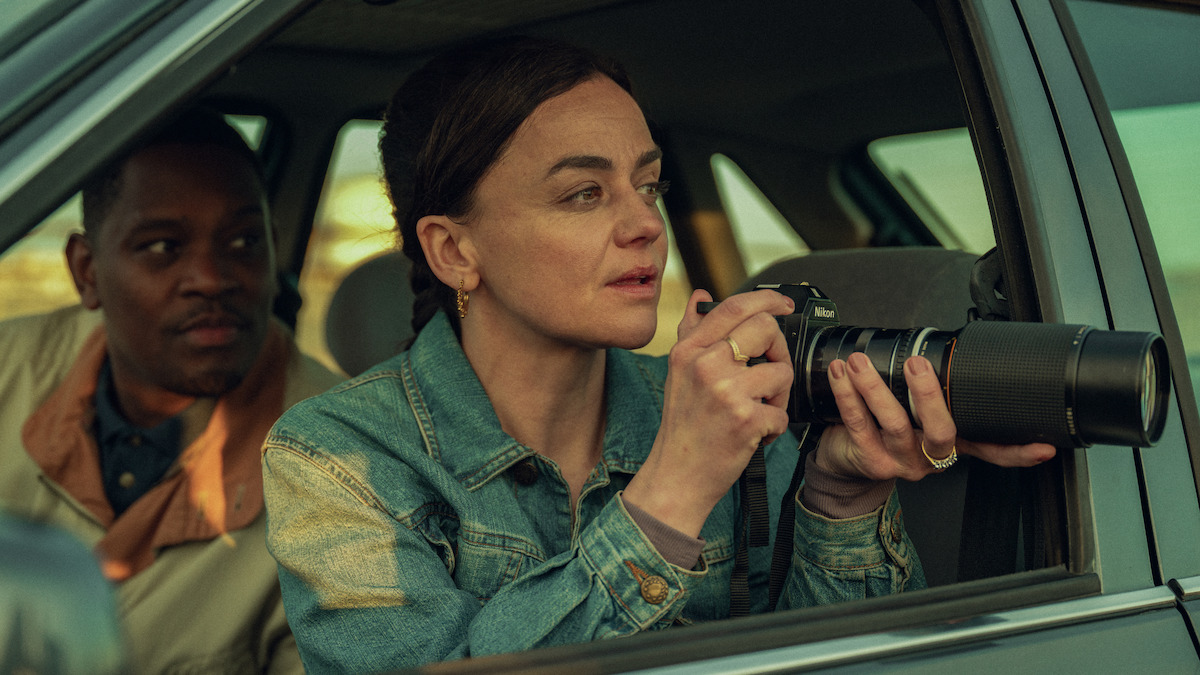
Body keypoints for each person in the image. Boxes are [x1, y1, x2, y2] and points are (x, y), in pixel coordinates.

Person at [261, 36, 1056, 673]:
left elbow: (834, 658)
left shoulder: (736, 419)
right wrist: (674, 488)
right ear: (454, 250)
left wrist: (838, 500)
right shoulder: (338, 456)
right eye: (584, 193)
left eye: (649, 185)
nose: (644, 223)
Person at [0, 108, 344, 673]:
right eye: (163, 246)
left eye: (243, 241)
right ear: (87, 271)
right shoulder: (13, 368)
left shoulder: (346, 465)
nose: (213, 278)